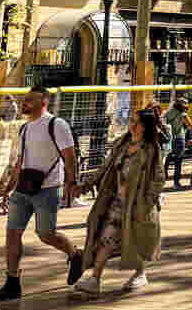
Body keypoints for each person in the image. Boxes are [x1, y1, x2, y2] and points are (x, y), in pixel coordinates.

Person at [0, 86, 84, 302]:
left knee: (46, 234)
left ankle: (75, 254)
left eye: (30, 100)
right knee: (12, 233)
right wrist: (9, 187)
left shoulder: (56, 124)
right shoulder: (25, 129)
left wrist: (71, 183)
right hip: (23, 188)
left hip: (47, 188)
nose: (25, 103)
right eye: (26, 99)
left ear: (43, 103)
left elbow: (69, 156)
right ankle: (12, 283)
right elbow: (21, 161)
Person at [70, 108, 164, 296]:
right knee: (106, 237)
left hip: (136, 205)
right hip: (115, 202)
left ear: (146, 127)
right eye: (131, 121)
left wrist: (149, 200)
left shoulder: (151, 150)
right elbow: (106, 167)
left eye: (137, 123)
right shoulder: (122, 143)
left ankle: (139, 273)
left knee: (135, 240)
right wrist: (87, 185)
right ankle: (95, 279)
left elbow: (158, 178)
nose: (132, 125)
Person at [164, 98, 189, 190]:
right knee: (178, 161)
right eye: (185, 104)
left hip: (169, 139)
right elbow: (190, 125)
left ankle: (163, 179)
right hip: (179, 138)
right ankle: (176, 182)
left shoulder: (168, 112)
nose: (186, 106)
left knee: (166, 159)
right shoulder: (183, 114)